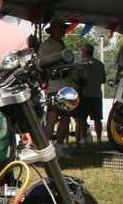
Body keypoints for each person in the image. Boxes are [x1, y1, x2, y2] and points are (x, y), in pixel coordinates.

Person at [39, 19, 72, 153]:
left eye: (64, 28)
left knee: (65, 116)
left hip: (65, 84)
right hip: (54, 84)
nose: (63, 30)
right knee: (52, 115)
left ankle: (59, 147)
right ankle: (47, 148)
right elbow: (43, 64)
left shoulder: (62, 44)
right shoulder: (46, 45)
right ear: (53, 30)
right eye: (61, 27)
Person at [72, 43, 106, 145]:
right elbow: (103, 79)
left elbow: (76, 79)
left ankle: (83, 139)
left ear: (85, 52)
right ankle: (99, 139)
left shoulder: (81, 65)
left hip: (85, 93)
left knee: (83, 118)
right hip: (97, 93)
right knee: (97, 118)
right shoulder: (100, 64)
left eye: (82, 51)